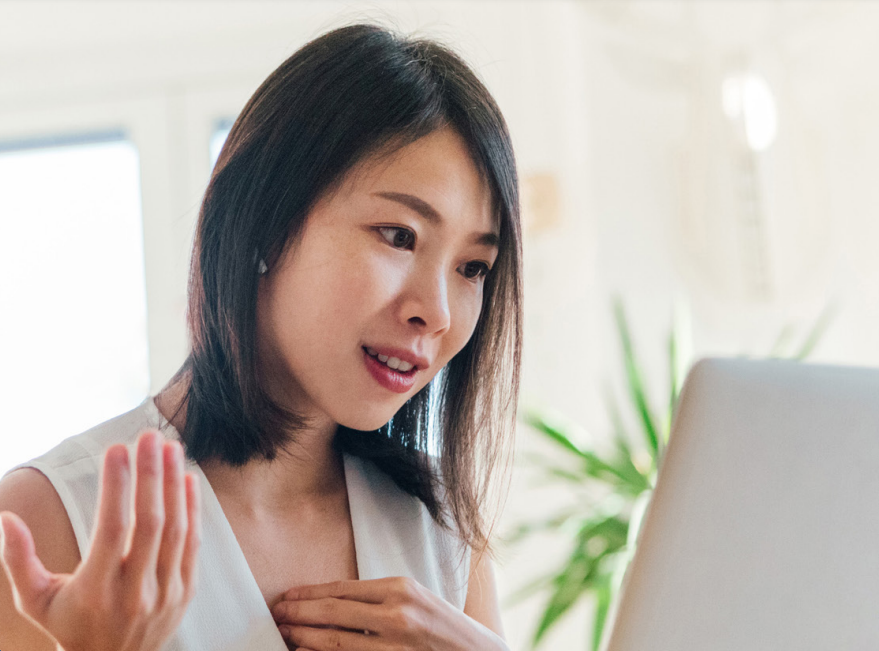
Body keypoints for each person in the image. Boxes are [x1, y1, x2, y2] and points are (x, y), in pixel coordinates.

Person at [0, 21, 521, 651]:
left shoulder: (440, 528)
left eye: (472, 268)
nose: (436, 313)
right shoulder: (45, 518)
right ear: (265, 224)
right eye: (397, 235)